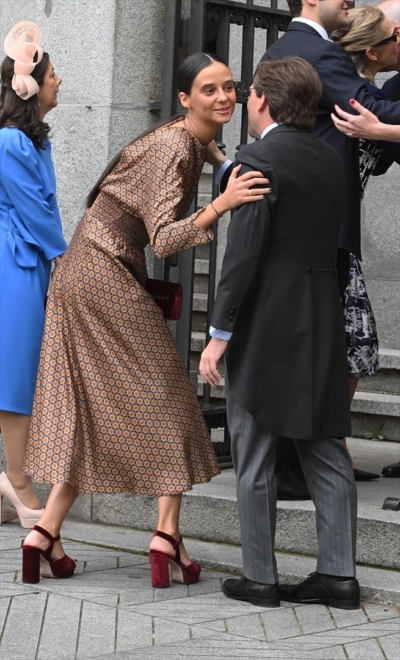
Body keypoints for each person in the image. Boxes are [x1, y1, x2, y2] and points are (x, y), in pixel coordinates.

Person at [21, 52, 271, 586]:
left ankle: (43, 534)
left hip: (80, 271)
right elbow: (162, 239)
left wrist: (220, 162)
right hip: (105, 273)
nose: (225, 97)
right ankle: (166, 536)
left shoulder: (182, 136)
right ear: (185, 99)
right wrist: (221, 204)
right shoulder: (178, 146)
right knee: (173, 402)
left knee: (87, 409)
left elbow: (205, 148)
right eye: (210, 90)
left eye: (230, 87)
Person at [200, 56, 360, 610]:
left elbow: (242, 256)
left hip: (267, 321)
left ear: (262, 101)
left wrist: (219, 333)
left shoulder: (258, 159)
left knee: (254, 451)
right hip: (320, 315)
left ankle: (260, 578)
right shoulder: (324, 157)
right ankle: (339, 577)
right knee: (325, 449)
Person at [253, 0, 400, 485]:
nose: (350, 3)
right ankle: (301, 463)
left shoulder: (283, 46)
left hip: (309, 229)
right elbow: (369, 109)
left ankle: (316, 456)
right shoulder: (320, 54)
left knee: (328, 344)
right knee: (324, 345)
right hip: (322, 231)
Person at [0, 22, 67, 528]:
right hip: (14, 261)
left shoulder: (28, 140)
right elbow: (37, 212)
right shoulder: (11, 142)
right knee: (18, 374)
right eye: (52, 73)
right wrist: (68, 257)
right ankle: (18, 481)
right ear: (31, 85)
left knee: (16, 369)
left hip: (23, 258)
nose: (59, 80)